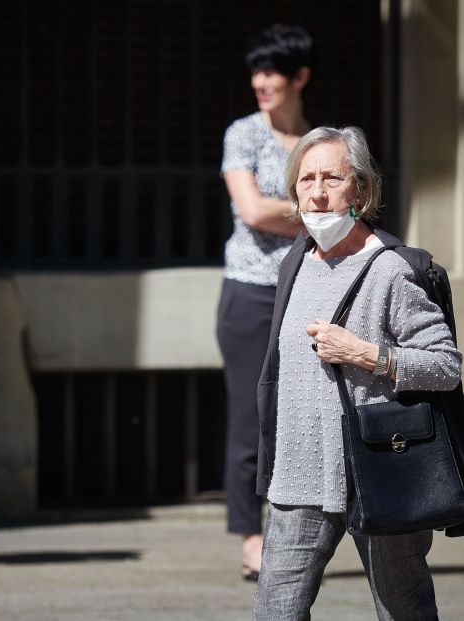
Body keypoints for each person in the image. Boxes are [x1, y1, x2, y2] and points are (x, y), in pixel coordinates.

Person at [252, 126, 462, 619]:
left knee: (403, 610)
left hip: (380, 471)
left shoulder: (390, 270)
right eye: (306, 180)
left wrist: (367, 354)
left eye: (332, 178)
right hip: (298, 475)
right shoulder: (296, 263)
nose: (318, 193)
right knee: (274, 611)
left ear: (362, 190)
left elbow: (446, 366)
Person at [216, 24, 313, 580]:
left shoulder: (322, 140)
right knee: (250, 417)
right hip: (249, 292)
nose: (261, 82)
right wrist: (318, 210)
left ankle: (296, 530)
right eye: (256, 71)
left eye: (272, 71)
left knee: (301, 417)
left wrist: (308, 209)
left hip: (307, 287)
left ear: (300, 76)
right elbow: (252, 211)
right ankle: (251, 537)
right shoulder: (243, 134)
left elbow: (352, 199)